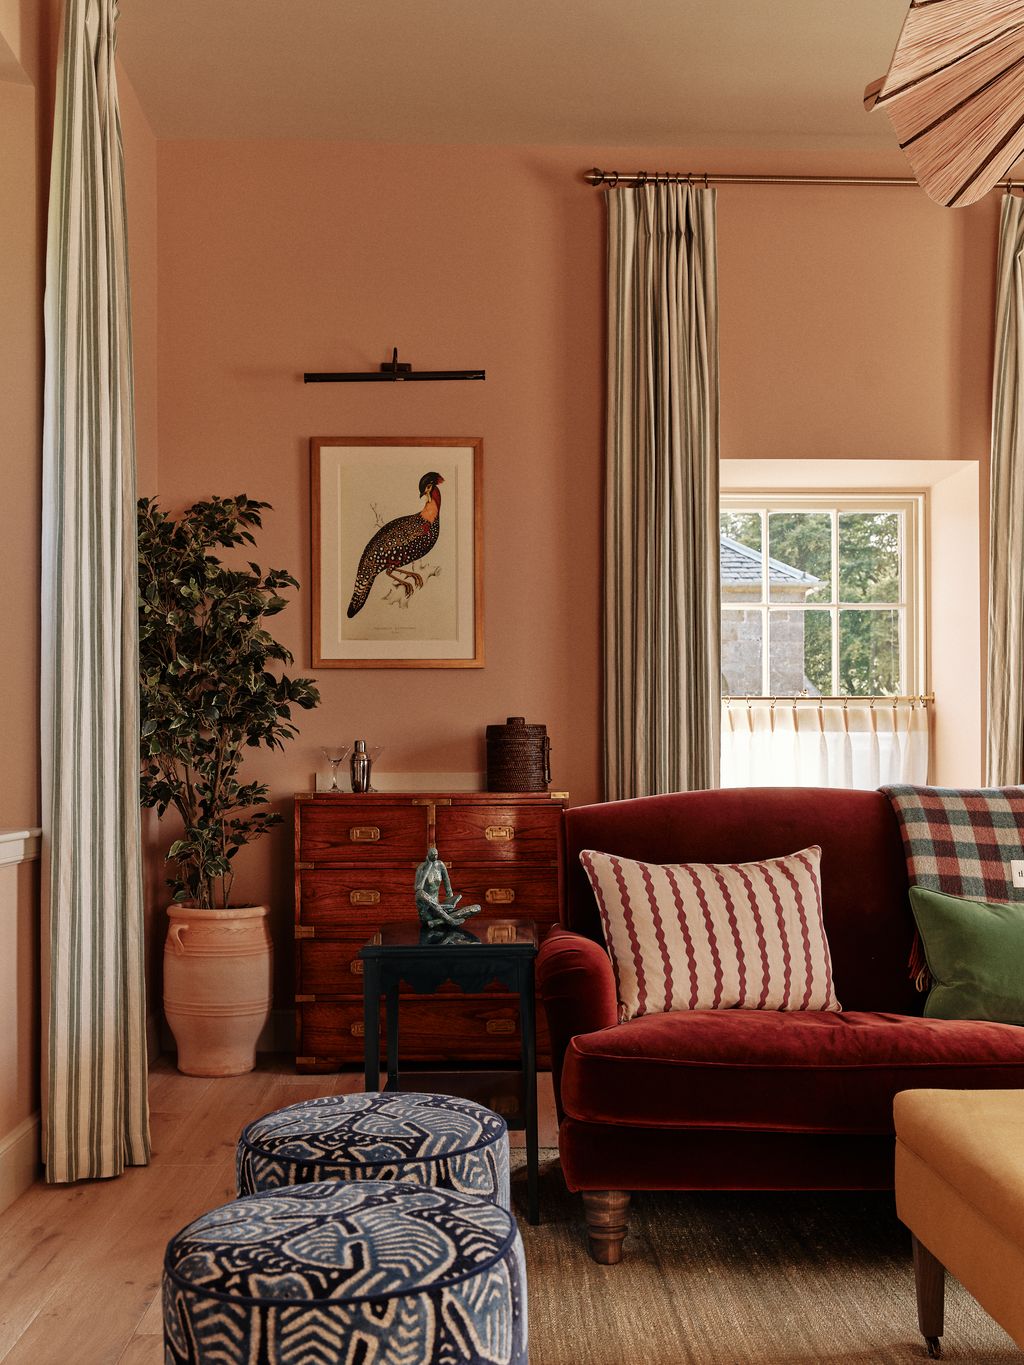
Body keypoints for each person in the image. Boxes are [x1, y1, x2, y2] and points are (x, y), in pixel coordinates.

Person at [414, 845, 481, 929]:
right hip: (427, 910)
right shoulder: (422, 867)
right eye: (432, 855)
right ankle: (450, 920)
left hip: (440, 909)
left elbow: (447, 883)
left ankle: (438, 922)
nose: (435, 857)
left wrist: (450, 900)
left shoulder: (440, 865)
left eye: (436, 855)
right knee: (420, 893)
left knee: (477, 908)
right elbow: (418, 888)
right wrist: (428, 867)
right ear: (428, 855)